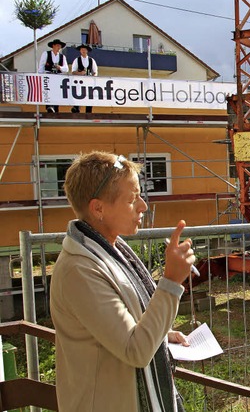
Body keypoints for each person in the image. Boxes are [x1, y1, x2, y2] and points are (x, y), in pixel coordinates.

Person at [50, 151, 195, 411]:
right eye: (132, 199)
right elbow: (135, 349)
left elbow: (125, 324)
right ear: (98, 208)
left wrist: (161, 334)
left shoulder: (110, 250)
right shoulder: (80, 269)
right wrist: (171, 281)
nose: (143, 206)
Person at [38, 38, 69, 113]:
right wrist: (40, 76)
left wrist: (60, 67)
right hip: (48, 75)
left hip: (58, 76)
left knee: (57, 92)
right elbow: (41, 66)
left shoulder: (62, 57)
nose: (59, 48)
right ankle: (49, 107)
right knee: (49, 91)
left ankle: (56, 108)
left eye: (60, 46)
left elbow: (66, 69)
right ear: (53, 46)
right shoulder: (46, 53)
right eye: (58, 46)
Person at [71, 44, 99, 113]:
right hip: (79, 82)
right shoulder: (77, 60)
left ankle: (88, 111)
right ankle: (76, 108)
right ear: (80, 51)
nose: (83, 51)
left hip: (89, 83)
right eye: (82, 49)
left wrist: (92, 77)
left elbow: (95, 72)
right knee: (78, 95)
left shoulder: (91, 60)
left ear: (87, 51)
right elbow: (73, 72)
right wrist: (80, 73)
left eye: (84, 49)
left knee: (89, 96)